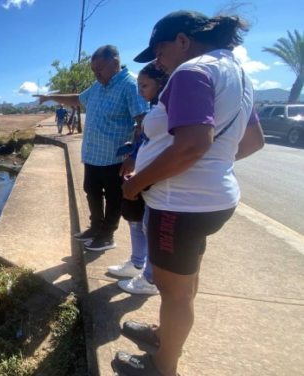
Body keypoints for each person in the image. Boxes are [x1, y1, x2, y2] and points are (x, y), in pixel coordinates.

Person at [111, 11, 265, 376]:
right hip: (212, 200)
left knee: (174, 292)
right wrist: (211, 168)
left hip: (179, 205)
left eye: (159, 51)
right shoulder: (238, 75)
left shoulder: (191, 72)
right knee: (186, 281)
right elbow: (253, 142)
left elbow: (191, 146)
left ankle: (162, 366)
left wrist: (135, 184)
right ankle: (164, 334)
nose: (157, 61)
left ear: (183, 40)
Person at [36, 45, 148, 252]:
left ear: (115, 62)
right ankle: (95, 227)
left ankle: (107, 235)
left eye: (100, 68)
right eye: (93, 70)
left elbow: (142, 122)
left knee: (114, 197)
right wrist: (51, 96)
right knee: (92, 192)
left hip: (114, 158)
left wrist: (133, 156)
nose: (97, 74)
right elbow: (77, 100)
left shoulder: (130, 85)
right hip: (93, 155)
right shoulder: (98, 86)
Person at [108, 62, 169, 296]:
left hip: (157, 181)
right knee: (136, 221)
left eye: (144, 85)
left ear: (161, 83)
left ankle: (150, 279)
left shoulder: (169, 107)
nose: (140, 90)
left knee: (149, 227)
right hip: (142, 176)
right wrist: (133, 156)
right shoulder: (157, 107)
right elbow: (146, 140)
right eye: (139, 85)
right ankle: (136, 263)